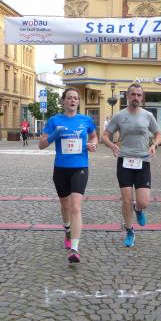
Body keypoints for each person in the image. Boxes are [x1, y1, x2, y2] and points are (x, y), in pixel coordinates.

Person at [101, 83, 161, 248]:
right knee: (126, 200)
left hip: (143, 161)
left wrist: (154, 145)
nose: (136, 97)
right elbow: (105, 135)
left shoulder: (148, 115)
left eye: (139, 95)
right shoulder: (119, 116)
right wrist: (112, 145)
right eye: (133, 94)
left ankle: (139, 209)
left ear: (142, 98)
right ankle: (129, 230)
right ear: (127, 96)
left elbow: (159, 134)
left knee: (144, 202)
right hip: (125, 161)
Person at [40, 88, 98, 263]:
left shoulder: (86, 120)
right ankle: (67, 229)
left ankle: (74, 248)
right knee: (65, 205)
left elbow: (94, 137)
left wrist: (93, 144)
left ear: (78, 102)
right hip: (60, 168)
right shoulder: (54, 120)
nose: (73, 101)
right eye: (69, 98)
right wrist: (54, 134)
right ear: (63, 101)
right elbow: (41, 145)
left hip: (80, 167)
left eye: (75, 98)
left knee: (75, 207)